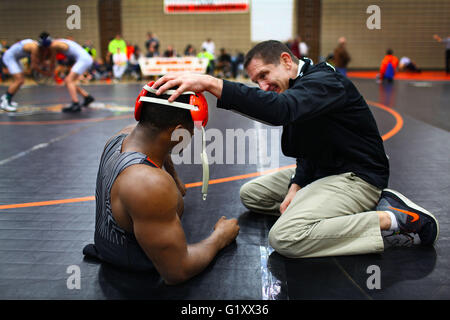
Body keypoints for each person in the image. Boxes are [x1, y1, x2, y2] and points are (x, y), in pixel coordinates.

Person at [151, 40, 439, 259]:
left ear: (286, 61)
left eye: (264, 75)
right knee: (251, 194)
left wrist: (212, 83)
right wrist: (296, 186)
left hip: (356, 175)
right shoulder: (297, 86)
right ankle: (331, 207)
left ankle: (395, 219)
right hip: (324, 171)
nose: (263, 86)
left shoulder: (324, 82)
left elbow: (280, 111)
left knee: (286, 237)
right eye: (256, 82)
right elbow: (307, 147)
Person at [82, 84, 239, 284]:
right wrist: (220, 237)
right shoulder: (149, 184)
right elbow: (177, 271)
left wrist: (174, 177)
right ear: (178, 132)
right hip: (135, 267)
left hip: (108, 244)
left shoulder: (121, 137)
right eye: (193, 131)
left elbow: (160, 151)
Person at [43, 33, 95, 112]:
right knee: (69, 81)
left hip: (83, 59)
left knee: (69, 80)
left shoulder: (55, 45)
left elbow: (53, 60)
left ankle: (75, 104)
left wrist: (50, 70)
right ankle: (87, 97)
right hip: (84, 59)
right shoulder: (60, 42)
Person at [1, 38, 40, 112]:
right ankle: (5, 102)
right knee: (19, 80)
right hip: (10, 57)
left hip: (15, 58)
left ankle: (6, 98)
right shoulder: (34, 47)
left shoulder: (34, 44)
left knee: (21, 81)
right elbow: (33, 65)